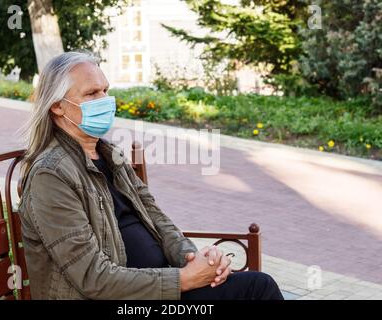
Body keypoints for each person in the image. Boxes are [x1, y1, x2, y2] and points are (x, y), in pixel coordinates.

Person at [18, 51, 283, 300]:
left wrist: (196, 262)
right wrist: (184, 280)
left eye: (105, 90)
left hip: (155, 288)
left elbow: (156, 218)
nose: (105, 100)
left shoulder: (108, 155)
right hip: (118, 297)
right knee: (258, 290)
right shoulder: (50, 176)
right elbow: (92, 278)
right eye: (91, 93)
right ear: (57, 107)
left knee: (256, 287)